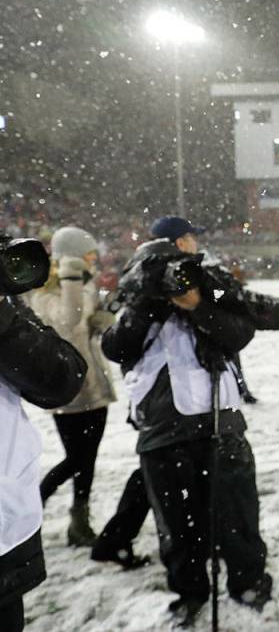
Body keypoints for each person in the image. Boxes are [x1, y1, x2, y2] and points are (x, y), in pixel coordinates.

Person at [101, 232, 272, 626]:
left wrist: (197, 305)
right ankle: (189, 591)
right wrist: (150, 303)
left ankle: (249, 582)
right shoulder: (136, 305)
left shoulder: (207, 293)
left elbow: (240, 333)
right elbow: (116, 346)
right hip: (162, 432)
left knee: (238, 517)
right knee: (177, 527)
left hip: (221, 424)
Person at [0, 235, 86, 632]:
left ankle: (79, 513)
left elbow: (64, 372)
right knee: (78, 459)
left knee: (83, 461)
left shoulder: (10, 301)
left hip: (5, 529)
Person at [28, 226, 117, 547]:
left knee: (87, 460)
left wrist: (102, 320)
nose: (94, 259)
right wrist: (70, 277)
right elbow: (67, 321)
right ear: (74, 256)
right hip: (66, 387)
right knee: (76, 458)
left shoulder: (83, 283)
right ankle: (31, 508)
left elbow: (84, 324)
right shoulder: (43, 290)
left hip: (94, 383)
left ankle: (79, 522)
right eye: (89, 254)